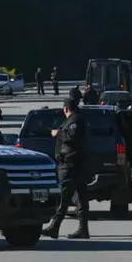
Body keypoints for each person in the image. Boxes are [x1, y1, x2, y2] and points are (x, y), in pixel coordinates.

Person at [41, 98, 90, 239]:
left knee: (64, 197)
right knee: (80, 198)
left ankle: (54, 226)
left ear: (66, 108)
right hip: (74, 164)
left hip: (71, 164)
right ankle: (83, 229)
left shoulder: (75, 120)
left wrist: (58, 133)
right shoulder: (74, 120)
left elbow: (72, 136)